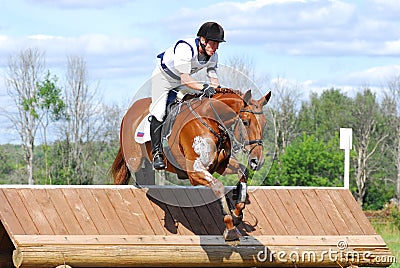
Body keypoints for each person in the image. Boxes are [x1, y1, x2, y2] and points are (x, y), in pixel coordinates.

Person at [149, 21, 225, 170]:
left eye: (218, 44)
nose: (216, 47)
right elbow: (185, 78)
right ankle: (157, 153)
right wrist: (204, 87)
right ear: (203, 40)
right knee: (159, 112)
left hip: (184, 81)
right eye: (214, 43)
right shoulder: (186, 48)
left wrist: (216, 92)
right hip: (164, 78)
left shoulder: (213, 56)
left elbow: (214, 80)